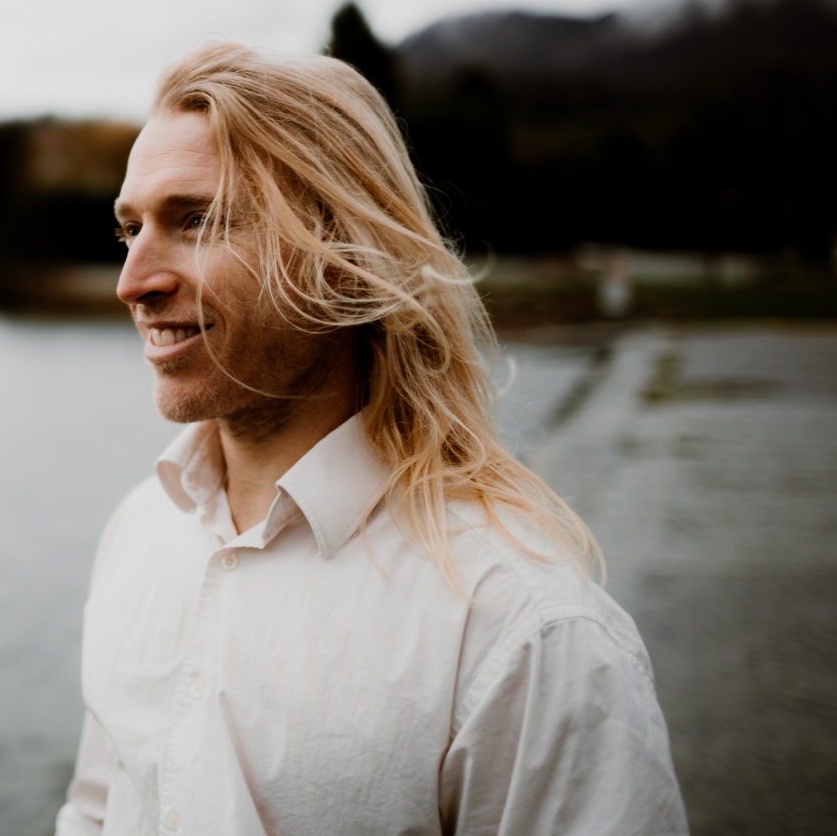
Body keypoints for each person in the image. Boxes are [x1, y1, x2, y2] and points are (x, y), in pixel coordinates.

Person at [55, 43, 687, 835]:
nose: (133, 281)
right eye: (130, 229)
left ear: (346, 258)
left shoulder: (524, 632)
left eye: (197, 221)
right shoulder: (138, 533)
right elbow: (96, 810)